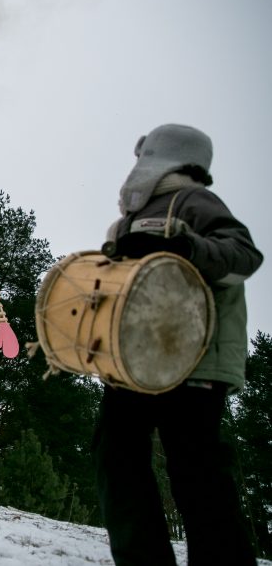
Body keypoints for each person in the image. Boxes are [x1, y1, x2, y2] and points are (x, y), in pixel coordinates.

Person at [95, 123, 263, 565]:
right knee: (117, 459)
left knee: (197, 475)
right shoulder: (131, 216)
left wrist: (186, 244)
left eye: (143, 155)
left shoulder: (194, 200)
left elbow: (244, 257)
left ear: (163, 155)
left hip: (195, 362)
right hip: (135, 358)